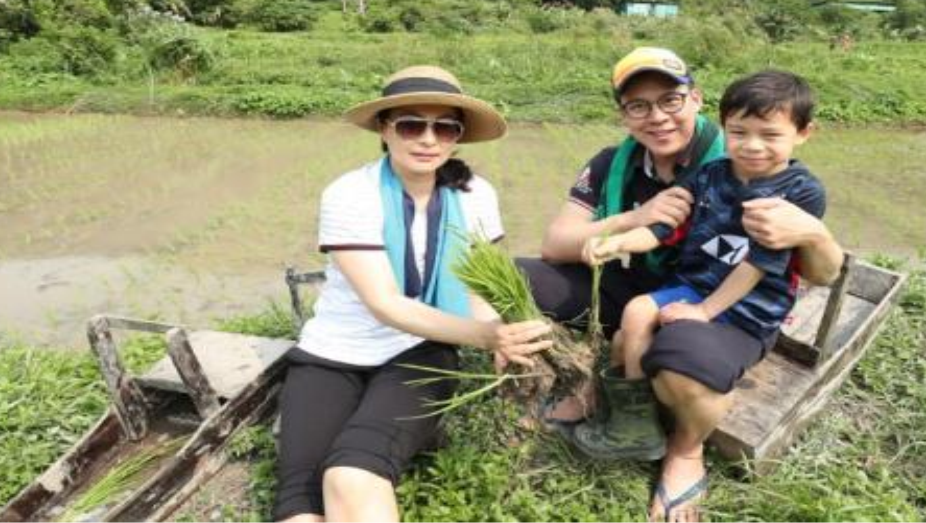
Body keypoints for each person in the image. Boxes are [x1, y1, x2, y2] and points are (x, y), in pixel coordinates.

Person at [517, 48, 846, 522]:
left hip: (718, 301)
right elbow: (563, 242)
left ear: (696, 100)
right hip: (653, 286)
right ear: (624, 114)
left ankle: (684, 450)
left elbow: (811, 269)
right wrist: (624, 228)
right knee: (528, 278)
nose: (657, 117)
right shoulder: (623, 164)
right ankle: (619, 405)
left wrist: (811, 236)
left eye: (670, 99)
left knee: (677, 357)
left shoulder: (759, 176)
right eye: (639, 105)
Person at [274, 65, 553, 523]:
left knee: (351, 475)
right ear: (385, 129)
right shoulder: (350, 193)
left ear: (457, 137)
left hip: (423, 349)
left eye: (445, 127)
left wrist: (493, 331)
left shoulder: (475, 195)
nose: (429, 139)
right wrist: (485, 337)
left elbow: (476, 284)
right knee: (298, 506)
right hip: (334, 351)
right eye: (411, 124)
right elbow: (383, 303)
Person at [583, 70, 825, 516]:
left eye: (770, 134)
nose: (752, 145)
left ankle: (684, 447)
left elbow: (757, 265)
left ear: (803, 133)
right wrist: (619, 241)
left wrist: (705, 311)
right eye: (739, 132)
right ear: (724, 127)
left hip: (749, 308)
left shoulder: (799, 192)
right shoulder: (711, 174)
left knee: (669, 357)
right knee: (635, 313)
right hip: (693, 285)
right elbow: (662, 228)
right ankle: (636, 418)